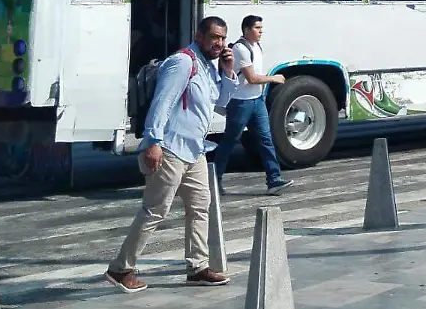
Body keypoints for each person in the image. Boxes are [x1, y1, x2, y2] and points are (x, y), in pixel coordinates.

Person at [105, 16, 240, 294]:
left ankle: (198, 267)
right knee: (155, 210)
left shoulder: (208, 67)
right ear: (199, 36)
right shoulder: (183, 62)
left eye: (223, 38)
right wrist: (153, 141)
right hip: (170, 148)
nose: (219, 43)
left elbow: (221, 103)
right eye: (214, 37)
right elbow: (162, 102)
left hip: (195, 150)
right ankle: (121, 268)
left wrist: (228, 71)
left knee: (200, 207)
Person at [214, 15, 294, 196]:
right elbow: (251, 78)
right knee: (229, 141)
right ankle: (214, 179)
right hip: (240, 102)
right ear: (246, 30)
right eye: (257, 28)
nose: (261, 31)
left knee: (266, 140)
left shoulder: (256, 46)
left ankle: (274, 180)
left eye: (261, 28)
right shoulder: (240, 49)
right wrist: (274, 78)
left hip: (256, 101)